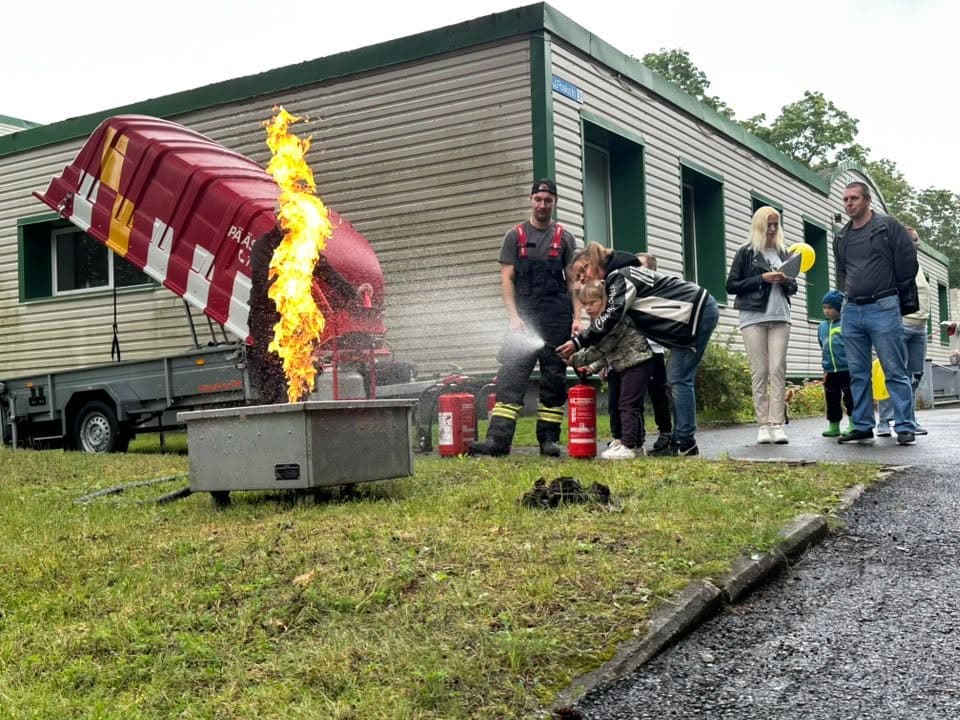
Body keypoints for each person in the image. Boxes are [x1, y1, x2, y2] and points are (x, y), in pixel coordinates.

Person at [557, 242, 719, 457]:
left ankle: (684, 442)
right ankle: (682, 440)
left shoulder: (620, 277)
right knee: (679, 378)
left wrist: (578, 343)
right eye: (577, 277)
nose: (583, 278)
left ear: (594, 262)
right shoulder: (620, 276)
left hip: (695, 311)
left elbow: (611, 317)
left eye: (583, 271)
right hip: (693, 315)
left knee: (679, 378)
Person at [469, 179, 580, 457]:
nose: (543, 205)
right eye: (538, 199)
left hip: (557, 316)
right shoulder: (514, 236)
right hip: (525, 317)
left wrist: (578, 318)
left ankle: (548, 440)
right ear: (531, 199)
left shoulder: (565, 238)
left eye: (548, 200)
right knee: (511, 375)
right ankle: (498, 440)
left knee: (554, 378)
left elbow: (573, 283)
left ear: (554, 203)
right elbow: (506, 279)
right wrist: (513, 318)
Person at [833, 181, 919, 445]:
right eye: (846, 199)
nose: (849, 203)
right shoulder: (842, 236)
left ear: (867, 200)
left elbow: (907, 262)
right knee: (858, 372)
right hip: (852, 309)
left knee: (894, 368)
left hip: (883, 306)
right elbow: (843, 272)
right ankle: (862, 425)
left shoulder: (887, 226)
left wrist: (893, 291)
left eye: (854, 198)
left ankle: (905, 425)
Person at [725, 206, 798, 445]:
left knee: (778, 369)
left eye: (776, 224)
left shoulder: (784, 252)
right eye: (769, 225)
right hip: (753, 317)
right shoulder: (746, 253)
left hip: (780, 316)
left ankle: (777, 424)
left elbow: (793, 288)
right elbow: (731, 285)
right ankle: (763, 424)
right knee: (760, 371)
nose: (773, 229)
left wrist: (786, 280)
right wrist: (761, 279)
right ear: (759, 226)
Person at [569, 281, 655, 460]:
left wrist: (574, 358)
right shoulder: (602, 321)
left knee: (628, 405)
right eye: (584, 304)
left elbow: (601, 348)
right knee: (632, 406)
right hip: (629, 364)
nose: (588, 308)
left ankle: (628, 446)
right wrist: (591, 368)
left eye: (592, 303)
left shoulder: (613, 319)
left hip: (637, 363)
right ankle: (637, 446)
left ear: (605, 299)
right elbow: (606, 353)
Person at [876, 226, 930, 436]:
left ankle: (908, 419)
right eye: (913, 240)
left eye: (917, 240)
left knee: (915, 376)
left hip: (920, 328)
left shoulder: (917, 267)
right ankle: (884, 421)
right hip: (901, 325)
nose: (917, 244)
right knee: (896, 374)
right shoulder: (893, 265)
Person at [635, 252, 673, 451]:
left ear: (652, 270)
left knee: (658, 394)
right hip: (633, 353)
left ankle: (665, 432)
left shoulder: (660, 292)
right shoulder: (629, 290)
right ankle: (634, 435)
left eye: (641, 266)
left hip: (654, 350)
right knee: (634, 395)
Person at [818, 290, 853, 437]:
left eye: (830, 308)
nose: (826, 311)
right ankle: (834, 425)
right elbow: (822, 345)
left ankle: (853, 423)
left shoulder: (846, 324)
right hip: (830, 369)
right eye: (824, 307)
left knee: (850, 397)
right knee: (832, 398)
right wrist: (825, 366)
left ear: (839, 308)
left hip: (846, 368)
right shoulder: (822, 327)